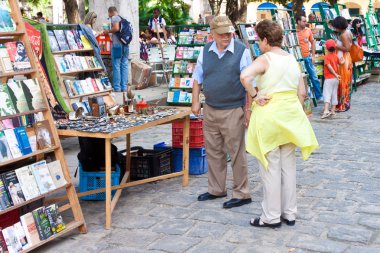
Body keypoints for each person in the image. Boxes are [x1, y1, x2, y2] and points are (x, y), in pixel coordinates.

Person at [240, 19, 318, 228]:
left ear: (265, 39)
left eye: (258, 39)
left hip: (269, 117)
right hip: (290, 117)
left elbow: (245, 76)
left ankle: (271, 216)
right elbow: (301, 92)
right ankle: (289, 213)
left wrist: (255, 95)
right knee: (288, 168)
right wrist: (295, 112)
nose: (258, 43)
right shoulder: (292, 59)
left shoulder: (265, 59)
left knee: (270, 168)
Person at [192, 16, 253, 209]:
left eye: (229, 33)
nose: (227, 36)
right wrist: (195, 101)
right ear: (212, 35)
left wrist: (249, 109)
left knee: (236, 153)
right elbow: (197, 78)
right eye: (222, 33)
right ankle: (216, 189)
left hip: (233, 109)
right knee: (213, 151)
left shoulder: (241, 52)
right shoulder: (205, 52)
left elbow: (250, 82)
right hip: (210, 108)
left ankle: (242, 193)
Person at [296, 15, 323, 101]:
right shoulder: (293, 31)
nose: (306, 22)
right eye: (303, 21)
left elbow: (313, 42)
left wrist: (313, 56)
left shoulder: (308, 30)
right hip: (297, 59)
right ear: (298, 22)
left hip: (307, 57)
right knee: (299, 79)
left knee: (314, 76)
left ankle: (319, 96)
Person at [104, 6, 129, 92]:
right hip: (125, 44)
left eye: (109, 14)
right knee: (124, 65)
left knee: (116, 65)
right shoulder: (123, 18)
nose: (109, 16)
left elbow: (116, 28)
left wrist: (108, 31)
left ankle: (117, 88)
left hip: (117, 45)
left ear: (111, 12)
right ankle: (124, 87)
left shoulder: (114, 18)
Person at [331, 16, 353, 112]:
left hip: (343, 59)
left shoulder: (344, 34)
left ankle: (342, 105)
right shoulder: (348, 32)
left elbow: (347, 48)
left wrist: (336, 46)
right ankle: (345, 103)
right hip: (346, 58)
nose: (335, 28)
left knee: (342, 81)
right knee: (345, 81)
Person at [321, 39, 344, 119]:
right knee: (334, 93)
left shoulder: (326, 57)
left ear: (326, 48)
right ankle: (333, 111)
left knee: (327, 93)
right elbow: (340, 63)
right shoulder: (336, 56)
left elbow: (329, 66)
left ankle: (326, 110)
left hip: (329, 78)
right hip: (335, 79)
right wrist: (342, 61)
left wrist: (335, 74)